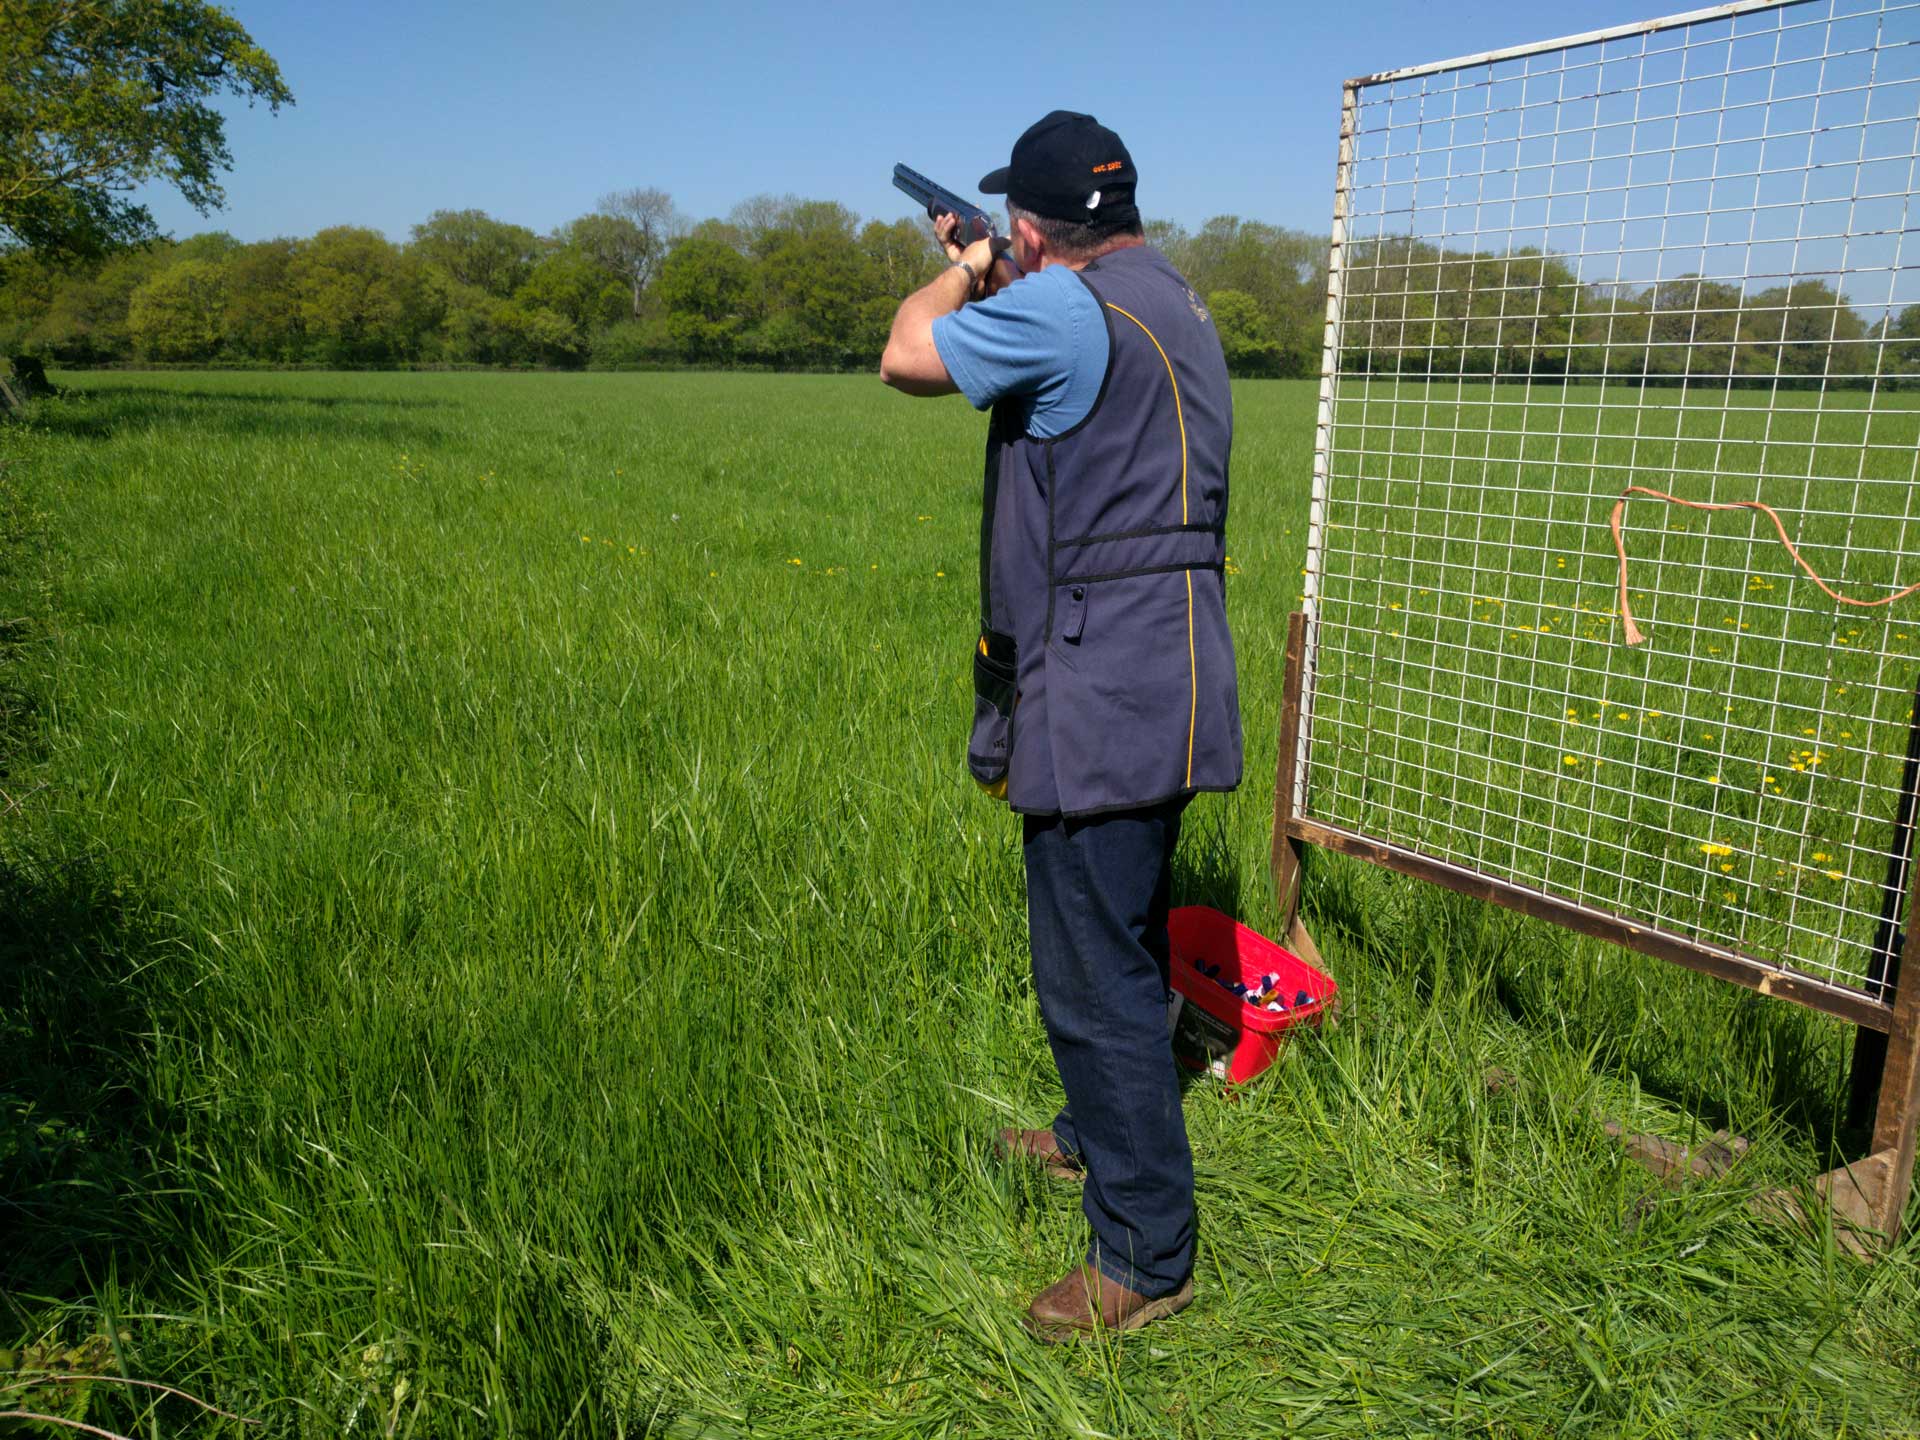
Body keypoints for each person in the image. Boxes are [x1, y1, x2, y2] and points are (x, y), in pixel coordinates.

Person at [879, 111, 1242, 1341]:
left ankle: (1146, 1253)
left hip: (1096, 688)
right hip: (1178, 674)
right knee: (1122, 930)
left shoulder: (1057, 305)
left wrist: (966, 266)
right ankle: (1096, 1133)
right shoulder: (1174, 301)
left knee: (1085, 974)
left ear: (1033, 229)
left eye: (1011, 231)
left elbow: (906, 356)